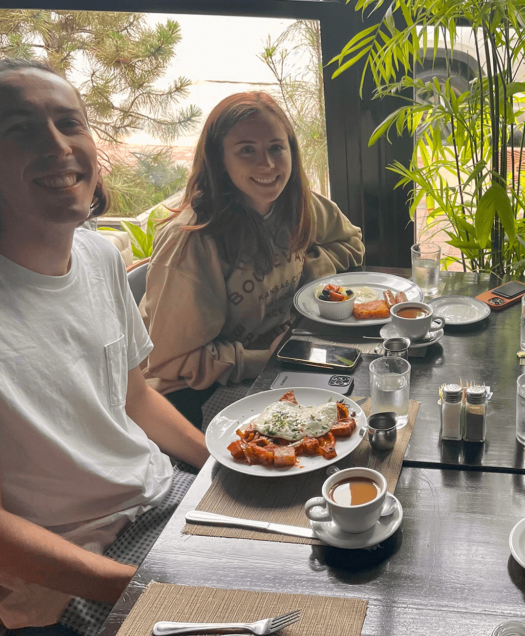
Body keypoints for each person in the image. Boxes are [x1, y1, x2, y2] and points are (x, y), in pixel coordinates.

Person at [0, 59, 210, 636]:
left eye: (71, 124)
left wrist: (227, 471)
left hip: (160, 499)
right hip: (67, 576)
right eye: (21, 129)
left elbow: (135, 399)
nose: (58, 146)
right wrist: (147, 587)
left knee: (320, 563)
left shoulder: (97, 253)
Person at [139, 92, 365, 425]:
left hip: (278, 361)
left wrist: (310, 272)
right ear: (219, 159)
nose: (268, 165)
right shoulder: (192, 242)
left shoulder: (297, 205)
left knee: (364, 399)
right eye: (247, 150)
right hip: (190, 395)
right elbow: (171, 362)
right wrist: (265, 359)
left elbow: (351, 243)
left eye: (276, 147)